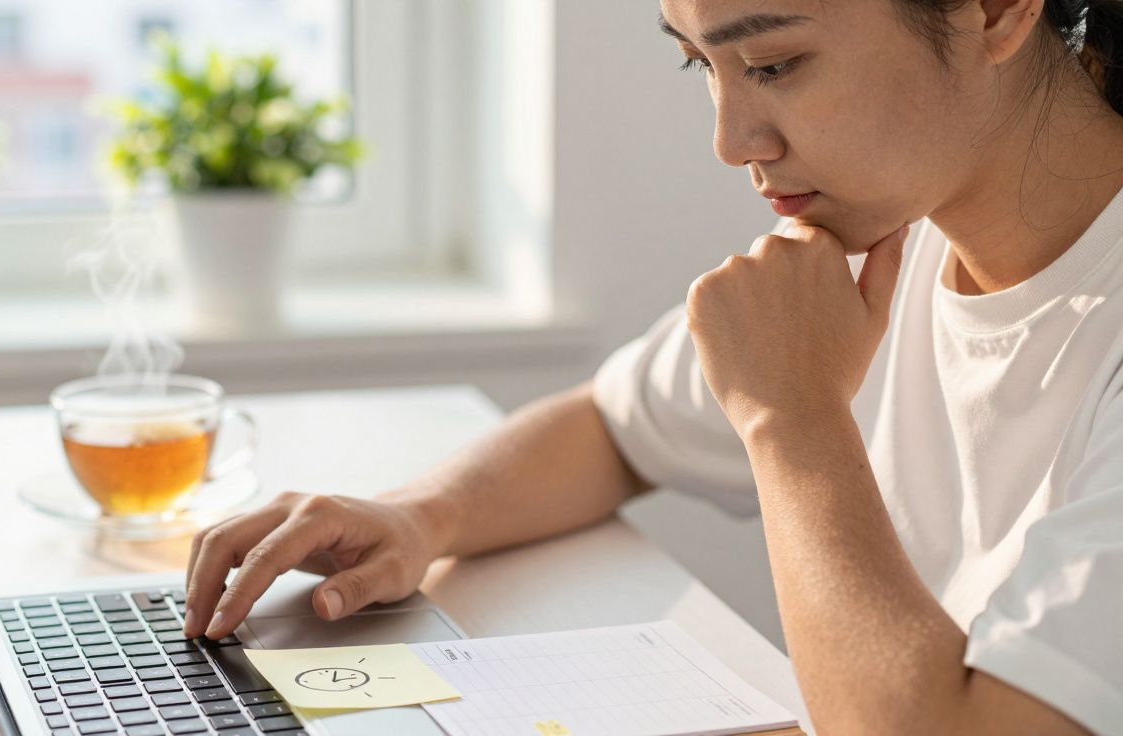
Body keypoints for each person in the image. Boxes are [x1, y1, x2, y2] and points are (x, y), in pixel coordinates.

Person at [184, 1, 1123, 733]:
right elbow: (615, 426)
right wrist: (420, 517)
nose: (731, 141)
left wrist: (791, 416)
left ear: (996, 11)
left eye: (773, 64)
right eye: (699, 63)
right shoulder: (881, 242)